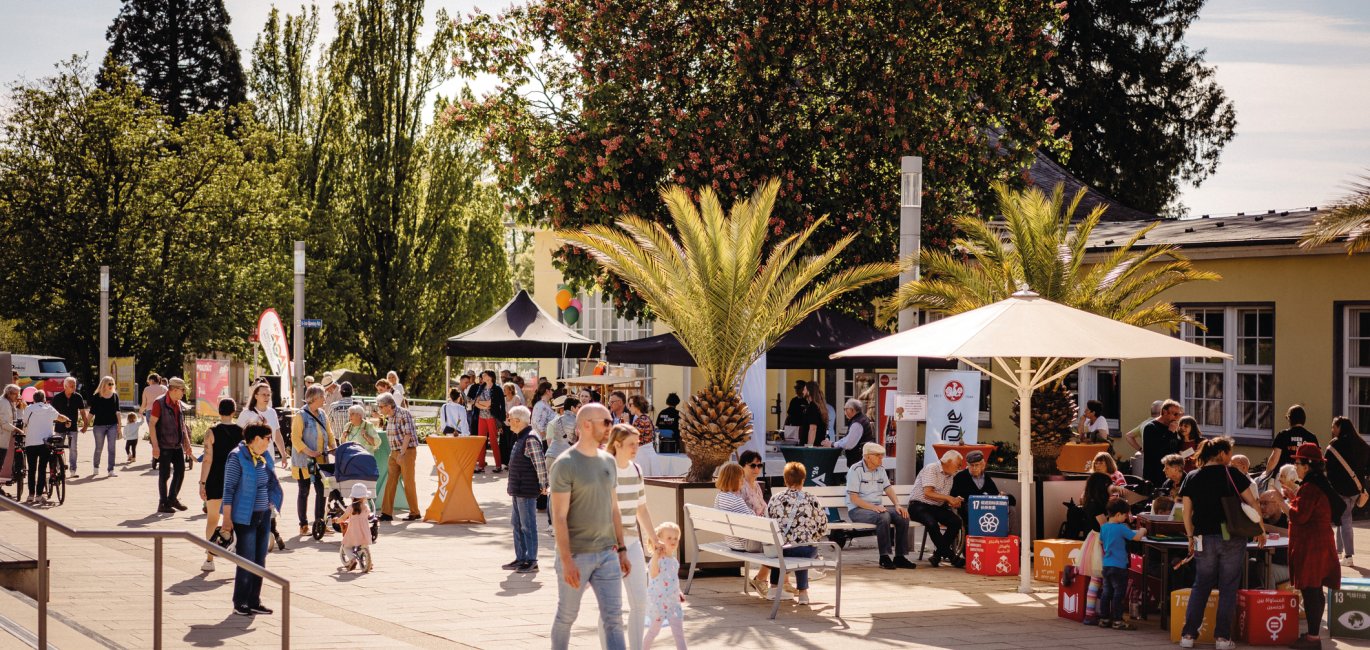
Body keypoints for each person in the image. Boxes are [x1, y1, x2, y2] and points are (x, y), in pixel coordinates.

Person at [549, 403, 630, 650]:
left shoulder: (609, 461)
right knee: (567, 616)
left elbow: (614, 509)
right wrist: (566, 560)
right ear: (586, 424)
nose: (610, 427)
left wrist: (623, 549)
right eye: (605, 422)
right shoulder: (565, 464)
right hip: (576, 555)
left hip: (607, 554)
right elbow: (559, 517)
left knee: (614, 619)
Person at [1178, 436, 1265, 650]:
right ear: (1222, 454)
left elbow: (1186, 512)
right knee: (1228, 586)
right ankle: (1222, 639)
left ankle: (1188, 635)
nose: (1230, 457)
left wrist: (1190, 537)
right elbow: (1252, 502)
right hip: (1232, 536)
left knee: (1201, 585)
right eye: (1229, 453)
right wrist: (1260, 529)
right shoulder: (1232, 474)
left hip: (1202, 537)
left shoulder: (1192, 476)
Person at [219, 424, 284, 617]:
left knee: (259, 559)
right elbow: (228, 489)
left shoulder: (264, 456)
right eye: (267, 438)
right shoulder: (236, 457)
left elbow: (270, 481)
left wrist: (272, 502)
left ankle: (255, 600)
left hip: (263, 515)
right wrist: (227, 520)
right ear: (256, 438)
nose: (269, 441)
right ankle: (240, 602)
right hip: (244, 517)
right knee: (246, 560)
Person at [606, 423, 659, 650]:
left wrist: (654, 538)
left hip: (632, 541)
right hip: (608, 543)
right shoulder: (605, 470)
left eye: (637, 444)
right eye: (631, 444)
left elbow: (642, 509)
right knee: (611, 607)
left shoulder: (636, 470)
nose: (636, 448)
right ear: (617, 444)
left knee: (640, 601)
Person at [1286, 443, 1344, 649]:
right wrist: (1294, 496)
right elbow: (1308, 508)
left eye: (1298, 462)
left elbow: (1300, 516)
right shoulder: (1317, 483)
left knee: (1311, 592)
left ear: (1308, 465)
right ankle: (1313, 635)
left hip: (1311, 545)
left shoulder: (1310, 487)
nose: (1296, 466)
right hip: (1321, 542)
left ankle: (1312, 638)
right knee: (1316, 591)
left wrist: (1283, 502)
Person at [766, 461, 830, 604]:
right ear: (803, 479)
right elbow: (823, 526)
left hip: (780, 550)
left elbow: (768, 522)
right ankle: (803, 593)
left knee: (783, 546)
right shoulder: (811, 498)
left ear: (785, 480)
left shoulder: (775, 499)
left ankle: (774, 588)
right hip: (804, 550)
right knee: (803, 547)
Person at [847, 442, 916, 570]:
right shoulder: (855, 470)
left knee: (903, 516)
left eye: (881, 456)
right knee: (883, 517)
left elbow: (888, 488)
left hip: (877, 508)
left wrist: (897, 505)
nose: (881, 458)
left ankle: (900, 557)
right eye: (878, 455)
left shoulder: (881, 469)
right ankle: (884, 557)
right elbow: (854, 498)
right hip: (858, 510)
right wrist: (874, 508)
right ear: (867, 457)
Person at [199, 398, 243, 573]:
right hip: (236, 480)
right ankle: (239, 558)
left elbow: (207, 460)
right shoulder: (242, 432)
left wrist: (202, 483)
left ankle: (210, 558)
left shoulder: (211, 433)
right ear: (234, 412)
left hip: (216, 479)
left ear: (219, 411)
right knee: (237, 521)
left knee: (212, 520)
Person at [504, 406, 549, 573]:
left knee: (527, 525)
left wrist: (544, 485)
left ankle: (531, 560)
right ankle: (521, 558)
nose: (508, 423)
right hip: (518, 488)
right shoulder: (521, 437)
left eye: (510, 419)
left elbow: (540, 464)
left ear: (518, 420)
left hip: (526, 489)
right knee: (517, 524)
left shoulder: (530, 438)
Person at [907, 450, 965, 567]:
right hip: (918, 505)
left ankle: (937, 555)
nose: (960, 467)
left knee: (956, 521)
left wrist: (953, 501)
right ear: (948, 461)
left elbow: (941, 498)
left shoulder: (950, 476)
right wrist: (948, 498)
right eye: (958, 464)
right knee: (932, 523)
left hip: (935, 507)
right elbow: (928, 493)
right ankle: (951, 556)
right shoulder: (932, 468)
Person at [735, 449, 782, 592]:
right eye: (752, 466)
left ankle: (767, 580)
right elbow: (743, 513)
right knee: (780, 545)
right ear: (743, 466)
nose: (757, 469)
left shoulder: (756, 486)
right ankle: (775, 583)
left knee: (782, 540)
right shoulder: (740, 486)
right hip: (750, 533)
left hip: (760, 529)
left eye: (759, 466)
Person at [1097, 498, 1147, 630]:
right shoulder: (1121, 528)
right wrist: (1142, 530)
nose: (1127, 517)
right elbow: (1136, 537)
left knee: (1106, 592)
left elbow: (1101, 542)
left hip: (1107, 565)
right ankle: (1117, 621)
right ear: (1118, 514)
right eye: (1126, 515)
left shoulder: (1105, 527)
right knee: (1118, 595)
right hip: (1119, 566)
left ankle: (1104, 618)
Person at [292, 385, 335, 535]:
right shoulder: (301, 415)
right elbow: (295, 438)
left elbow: (329, 433)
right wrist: (309, 451)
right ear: (314, 398)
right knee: (304, 491)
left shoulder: (323, 413)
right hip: (306, 461)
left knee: (322, 491)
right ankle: (303, 525)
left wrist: (334, 447)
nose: (325, 399)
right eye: (323, 396)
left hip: (322, 460)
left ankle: (319, 523)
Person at [1326, 416, 1369, 566]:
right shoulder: (1362, 444)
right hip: (1357, 489)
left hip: (1340, 489)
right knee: (1342, 518)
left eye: (1333, 426)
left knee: (1345, 519)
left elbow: (1328, 468)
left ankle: (1348, 556)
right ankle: (1339, 551)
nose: (1332, 430)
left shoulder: (1334, 446)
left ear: (1340, 427)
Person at [149, 377, 192, 514]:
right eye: (182, 390)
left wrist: (187, 444)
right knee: (164, 474)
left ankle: (172, 498)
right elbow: (152, 424)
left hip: (177, 445)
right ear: (174, 390)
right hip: (164, 445)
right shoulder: (159, 403)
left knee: (180, 472)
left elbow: (182, 425)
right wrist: (155, 446)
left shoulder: (178, 403)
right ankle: (163, 503)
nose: (183, 393)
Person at [375, 393, 421, 521]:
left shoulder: (404, 413)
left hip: (406, 452)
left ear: (389, 406)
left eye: (381, 407)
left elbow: (408, 434)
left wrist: (401, 453)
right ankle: (386, 513)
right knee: (390, 482)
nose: (380, 409)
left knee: (408, 481)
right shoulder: (390, 416)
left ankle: (414, 512)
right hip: (394, 452)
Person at [20, 390, 68, 505]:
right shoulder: (48, 408)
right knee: (42, 469)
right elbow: (60, 417)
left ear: (34, 399)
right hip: (44, 443)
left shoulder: (28, 409)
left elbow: (24, 422)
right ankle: (39, 495)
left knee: (32, 469)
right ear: (44, 399)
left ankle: (30, 495)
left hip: (31, 443)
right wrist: (67, 420)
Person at [644, 522, 686, 650]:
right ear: (659, 540)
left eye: (676, 538)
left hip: (673, 603)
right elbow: (653, 574)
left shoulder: (674, 561)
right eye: (669, 538)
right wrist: (656, 556)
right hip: (659, 603)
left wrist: (678, 591)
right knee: (653, 631)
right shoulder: (656, 559)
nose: (673, 541)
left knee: (679, 632)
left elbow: (673, 580)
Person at [949, 450, 1010, 522]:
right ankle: (972, 532)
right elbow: (953, 496)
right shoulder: (960, 477)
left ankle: (1008, 532)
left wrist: (1001, 496)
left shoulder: (986, 477)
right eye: (971, 465)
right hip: (969, 508)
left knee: (1011, 509)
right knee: (969, 508)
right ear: (967, 465)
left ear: (982, 465)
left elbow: (995, 494)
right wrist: (958, 500)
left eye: (977, 465)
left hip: (988, 507)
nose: (974, 468)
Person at [238, 381, 287, 468]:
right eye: (263, 394)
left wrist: (283, 454)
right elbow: (238, 436)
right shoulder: (246, 413)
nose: (266, 397)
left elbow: (277, 434)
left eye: (268, 395)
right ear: (256, 396)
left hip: (269, 456)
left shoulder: (272, 412)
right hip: (251, 458)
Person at [1263, 404, 1317, 482]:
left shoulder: (1283, 435)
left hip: (1282, 478)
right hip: (1303, 479)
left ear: (1289, 419)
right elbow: (1316, 461)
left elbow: (1274, 459)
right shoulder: (1311, 437)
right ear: (1304, 419)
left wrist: (1266, 475)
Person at [1138, 399, 1181, 488]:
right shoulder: (1150, 427)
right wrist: (1169, 432)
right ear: (1165, 412)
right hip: (1155, 477)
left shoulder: (1171, 426)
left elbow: (1173, 448)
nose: (1177, 418)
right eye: (1175, 414)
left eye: (1179, 414)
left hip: (1171, 476)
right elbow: (1155, 452)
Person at [51, 377, 89, 477]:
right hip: (60, 427)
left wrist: (85, 424)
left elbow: (82, 412)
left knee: (73, 449)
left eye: (75, 385)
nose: (74, 387)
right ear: (65, 386)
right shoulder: (57, 397)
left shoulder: (78, 397)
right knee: (58, 449)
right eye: (71, 386)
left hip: (73, 427)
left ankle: (73, 470)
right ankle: (59, 470)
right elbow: (52, 413)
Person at [336, 482, 375, 571]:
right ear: (364, 497)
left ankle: (352, 560)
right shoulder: (366, 507)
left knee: (346, 546)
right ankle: (370, 562)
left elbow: (344, 517)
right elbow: (369, 515)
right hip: (364, 532)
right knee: (364, 545)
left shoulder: (351, 507)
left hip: (353, 532)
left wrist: (338, 520)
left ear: (353, 497)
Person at [88, 376, 121, 477]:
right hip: (99, 426)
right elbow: (92, 412)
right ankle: (96, 467)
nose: (111, 386)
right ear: (104, 384)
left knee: (112, 448)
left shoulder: (115, 396)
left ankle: (111, 470)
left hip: (112, 425)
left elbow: (118, 412)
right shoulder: (97, 396)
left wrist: (119, 426)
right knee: (99, 448)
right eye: (109, 384)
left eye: (112, 384)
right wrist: (85, 424)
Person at [474, 371, 506, 473]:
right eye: (482, 375)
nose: (482, 377)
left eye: (485, 375)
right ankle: (481, 465)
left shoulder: (497, 389)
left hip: (492, 417)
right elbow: (476, 403)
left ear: (491, 377)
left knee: (493, 441)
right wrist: (484, 404)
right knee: (480, 441)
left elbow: (490, 404)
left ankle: (498, 465)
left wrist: (482, 404)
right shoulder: (481, 387)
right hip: (481, 417)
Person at [830, 399, 875, 468]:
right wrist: (833, 444)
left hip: (859, 463)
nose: (845, 413)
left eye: (845, 409)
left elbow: (849, 444)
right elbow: (847, 438)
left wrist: (833, 444)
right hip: (862, 461)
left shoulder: (857, 423)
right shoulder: (861, 419)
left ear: (852, 410)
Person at [545, 396, 580, 465]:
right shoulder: (577, 421)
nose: (581, 409)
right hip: (564, 458)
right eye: (579, 407)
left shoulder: (556, 420)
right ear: (572, 408)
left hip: (550, 456)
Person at [1082, 457, 1114, 531]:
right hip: (1098, 538)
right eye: (1108, 485)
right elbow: (1105, 527)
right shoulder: (1095, 506)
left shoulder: (1097, 502)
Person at [0, 384, 21, 474]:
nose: (17, 396)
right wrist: (17, 429)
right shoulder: (4, 403)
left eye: (18, 394)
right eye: (15, 394)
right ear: (9, 394)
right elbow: (4, 423)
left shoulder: (7, 402)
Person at [802, 381, 829, 447]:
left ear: (809, 392)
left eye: (804, 389)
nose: (803, 392)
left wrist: (809, 447)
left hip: (813, 446)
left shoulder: (812, 407)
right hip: (818, 445)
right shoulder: (819, 406)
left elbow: (813, 429)